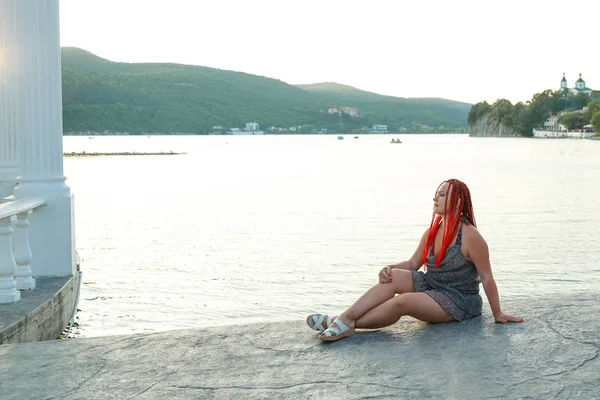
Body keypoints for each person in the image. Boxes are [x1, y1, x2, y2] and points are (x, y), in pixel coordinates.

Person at [306, 178, 523, 342]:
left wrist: (497, 313)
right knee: (394, 277)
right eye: (436, 194)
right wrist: (389, 268)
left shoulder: (470, 236)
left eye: (441, 195)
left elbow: (486, 276)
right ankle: (344, 319)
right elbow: (412, 264)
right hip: (432, 286)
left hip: (458, 300)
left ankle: (341, 323)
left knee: (403, 302)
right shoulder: (433, 231)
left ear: (457, 202)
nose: (434, 199)